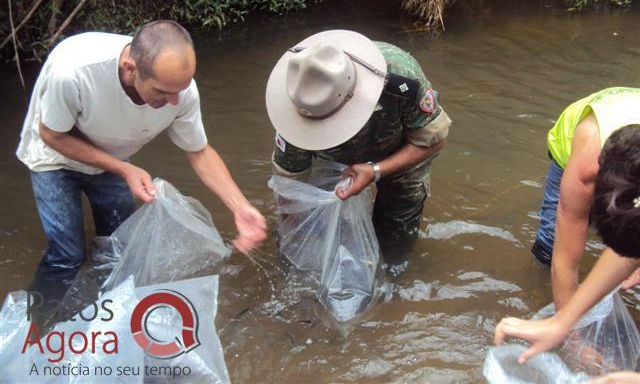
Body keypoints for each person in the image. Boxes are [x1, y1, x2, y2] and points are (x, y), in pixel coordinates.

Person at [17, 20, 267, 285]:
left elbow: (199, 152)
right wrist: (124, 169)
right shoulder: (73, 73)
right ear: (130, 68)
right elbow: (51, 135)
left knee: (120, 248)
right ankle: (39, 320)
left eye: (179, 91)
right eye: (162, 91)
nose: (173, 102)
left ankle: (106, 311)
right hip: (54, 158)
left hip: (112, 157)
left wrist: (240, 207)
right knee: (67, 256)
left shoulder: (180, 91)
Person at [265, 29, 452, 246]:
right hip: (331, 161)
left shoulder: (400, 77)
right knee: (325, 235)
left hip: (400, 151)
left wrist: (375, 171)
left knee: (397, 237)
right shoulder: (298, 103)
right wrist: (292, 236)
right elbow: (290, 184)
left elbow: (433, 140)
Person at [494, 123, 640, 374]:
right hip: (585, 142)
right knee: (551, 246)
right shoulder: (585, 171)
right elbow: (567, 258)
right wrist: (563, 324)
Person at [529, 87, 640, 309]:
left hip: (627, 115)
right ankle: (534, 285)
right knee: (552, 242)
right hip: (575, 135)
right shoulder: (585, 171)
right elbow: (565, 262)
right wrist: (571, 333)